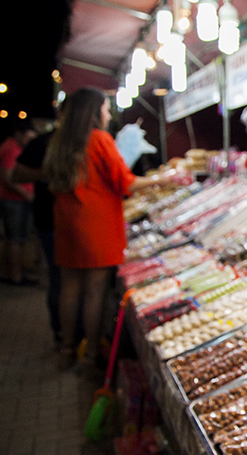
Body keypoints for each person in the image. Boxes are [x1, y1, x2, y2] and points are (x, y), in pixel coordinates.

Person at [43, 87, 182, 371]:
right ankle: (91, 355)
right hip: (96, 224)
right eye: (105, 109)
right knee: (95, 291)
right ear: (93, 112)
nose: (107, 115)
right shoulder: (98, 139)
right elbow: (126, 182)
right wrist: (166, 179)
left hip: (68, 223)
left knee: (70, 289)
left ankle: (67, 348)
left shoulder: (62, 140)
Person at [13, 127, 61, 346]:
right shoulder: (42, 142)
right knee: (60, 278)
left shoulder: (86, 140)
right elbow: (15, 174)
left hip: (74, 222)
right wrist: (49, 172)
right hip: (49, 219)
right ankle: (63, 339)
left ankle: (72, 340)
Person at [0, 121, 37, 285]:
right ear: (19, 134)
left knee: (16, 238)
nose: (29, 143)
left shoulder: (12, 146)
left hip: (15, 200)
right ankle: (15, 277)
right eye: (28, 139)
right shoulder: (11, 148)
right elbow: (8, 177)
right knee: (16, 239)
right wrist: (27, 194)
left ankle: (14, 273)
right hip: (13, 200)